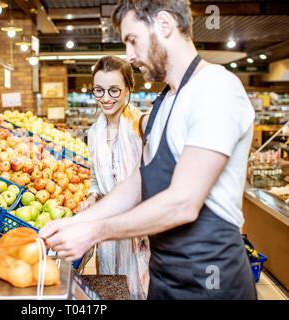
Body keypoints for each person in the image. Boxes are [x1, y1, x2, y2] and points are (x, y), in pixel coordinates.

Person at [39, 0, 257, 300]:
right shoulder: (166, 101)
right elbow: (140, 182)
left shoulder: (216, 88)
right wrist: (77, 222)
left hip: (210, 280)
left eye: (132, 40)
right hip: (165, 273)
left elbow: (183, 203)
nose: (129, 55)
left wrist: (94, 232)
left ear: (164, 25)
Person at [77, 55, 150, 300]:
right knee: (112, 289)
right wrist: (91, 197)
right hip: (108, 234)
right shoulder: (95, 132)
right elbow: (98, 180)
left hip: (140, 228)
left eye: (114, 90)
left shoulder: (140, 127)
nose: (105, 98)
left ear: (129, 88)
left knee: (140, 291)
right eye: (99, 90)